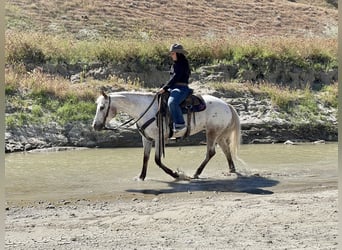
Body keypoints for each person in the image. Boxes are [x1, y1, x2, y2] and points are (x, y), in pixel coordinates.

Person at [158, 44, 191, 137]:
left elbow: (176, 78)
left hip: (181, 88)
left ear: (178, 54)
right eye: (171, 53)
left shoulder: (182, 64)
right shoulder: (175, 65)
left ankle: (180, 124)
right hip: (173, 88)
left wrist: (164, 88)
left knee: (172, 103)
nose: (171, 55)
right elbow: (172, 79)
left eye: (173, 53)